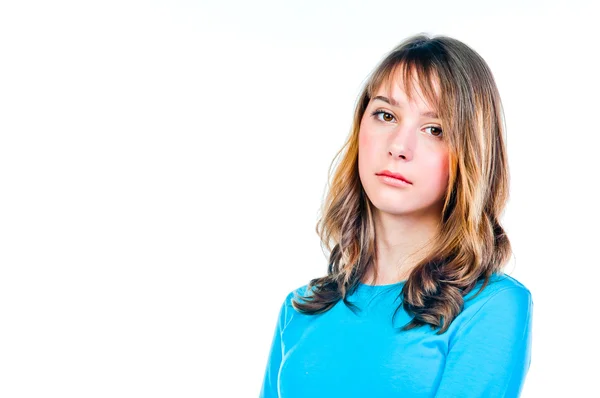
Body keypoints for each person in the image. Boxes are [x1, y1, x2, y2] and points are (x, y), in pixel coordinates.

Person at [259, 33, 533, 398]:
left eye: (435, 129)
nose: (399, 147)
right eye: (386, 115)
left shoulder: (491, 307)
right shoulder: (300, 310)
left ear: (469, 154)